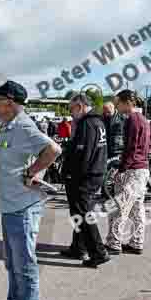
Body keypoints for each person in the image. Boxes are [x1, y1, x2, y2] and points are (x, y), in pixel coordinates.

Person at [0, 81, 61, 300]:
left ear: (11, 102)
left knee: (24, 262)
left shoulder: (25, 126)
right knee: (13, 262)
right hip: (10, 204)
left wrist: (32, 172)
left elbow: (53, 149)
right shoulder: (7, 127)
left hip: (24, 205)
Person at [63, 93, 110, 268]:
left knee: (83, 214)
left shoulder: (87, 124)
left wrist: (70, 174)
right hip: (94, 172)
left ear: (80, 106)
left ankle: (98, 252)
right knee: (79, 213)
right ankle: (78, 247)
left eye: (72, 109)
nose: (71, 113)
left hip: (84, 176)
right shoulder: (97, 122)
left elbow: (82, 154)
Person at [105, 90, 151, 255]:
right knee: (137, 208)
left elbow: (130, 148)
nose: (117, 107)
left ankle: (114, 242)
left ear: (128, 102)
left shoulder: (132, 119)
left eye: (118, 103)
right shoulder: (143, 120)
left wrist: (122, 169)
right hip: (142, 169)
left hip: (132, 170)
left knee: (119, 207)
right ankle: (137, 242)